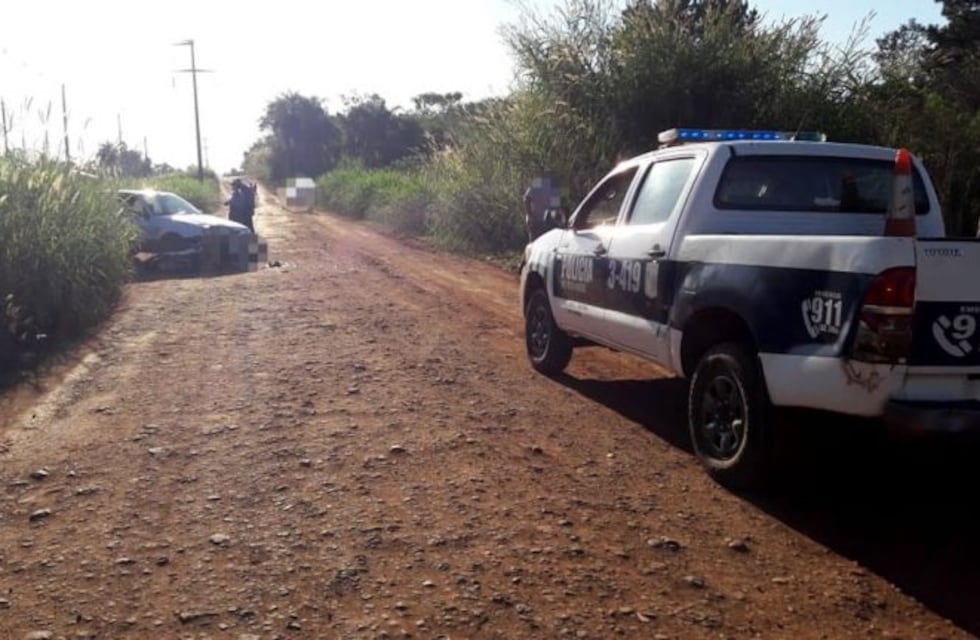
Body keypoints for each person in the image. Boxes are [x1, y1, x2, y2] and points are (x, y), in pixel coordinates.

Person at [523, 173, 562, 242]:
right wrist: (529, 215)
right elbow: (527, 198)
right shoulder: (539, 181)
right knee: (534, 244)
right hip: (536, 220)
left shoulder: (555, 185)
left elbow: (556, 206)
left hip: (549, 222)